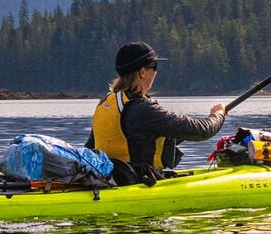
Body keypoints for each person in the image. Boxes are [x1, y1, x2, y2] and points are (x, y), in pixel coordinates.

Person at [89, 41, 226, 183]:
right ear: (142, 72)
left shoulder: (105, 102)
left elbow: (97, 146)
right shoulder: (143, 108)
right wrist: (218, 114)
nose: (156, 72)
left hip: (109, 181)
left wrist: (177, 133)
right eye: (154, 67)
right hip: (139, 184)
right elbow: (202, 131)